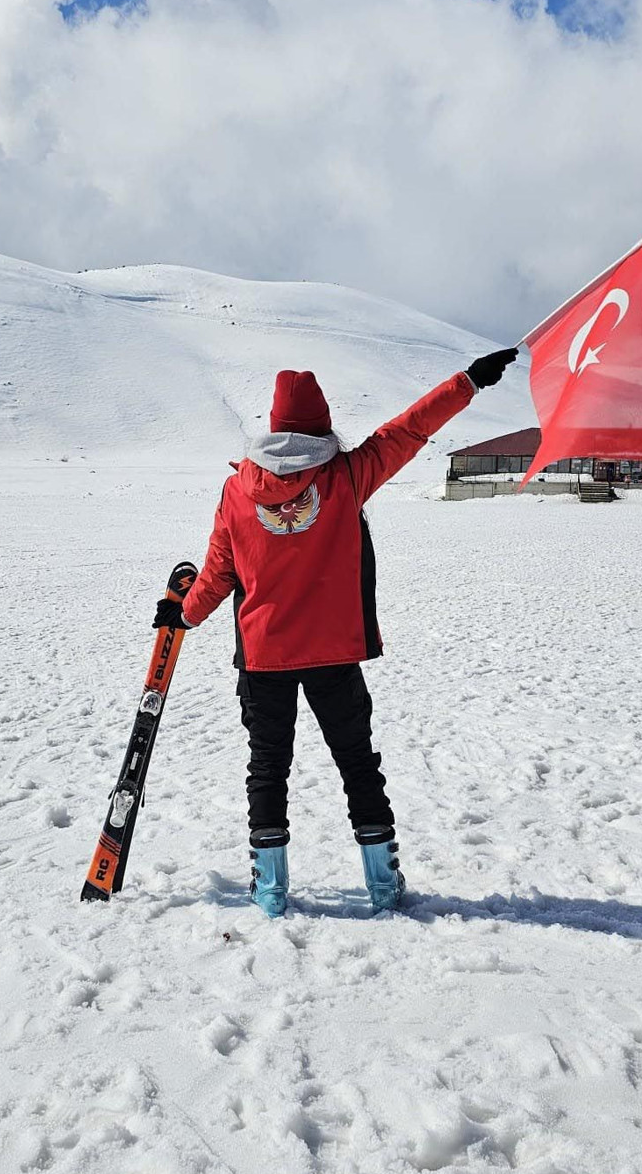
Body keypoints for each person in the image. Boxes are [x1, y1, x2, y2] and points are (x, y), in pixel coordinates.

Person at [154, 350, 517, 916]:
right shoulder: (347, 475)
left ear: (273, 425)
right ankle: (381, 883)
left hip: (264, 657)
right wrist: (468, 381)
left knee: (268, 767)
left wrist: (185, 614)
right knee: (356, 762)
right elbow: (410, 428)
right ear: (323, 423)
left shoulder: (237, 492)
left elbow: (220, 571)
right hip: (333, 654)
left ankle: (271, 891)